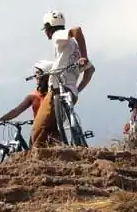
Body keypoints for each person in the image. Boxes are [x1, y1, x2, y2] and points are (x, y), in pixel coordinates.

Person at [31, 10, 95, 147]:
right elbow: (90, 70)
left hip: (57, 90)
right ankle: (62, 152)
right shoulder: (73, 46)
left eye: (45, 29)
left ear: (49, 27)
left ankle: (38, 159)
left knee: (38, 129)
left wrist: (84, 55)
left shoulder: (57, 35)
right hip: (71, 93)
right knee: (54, 129)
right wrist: (78, 89)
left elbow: (77, 30)